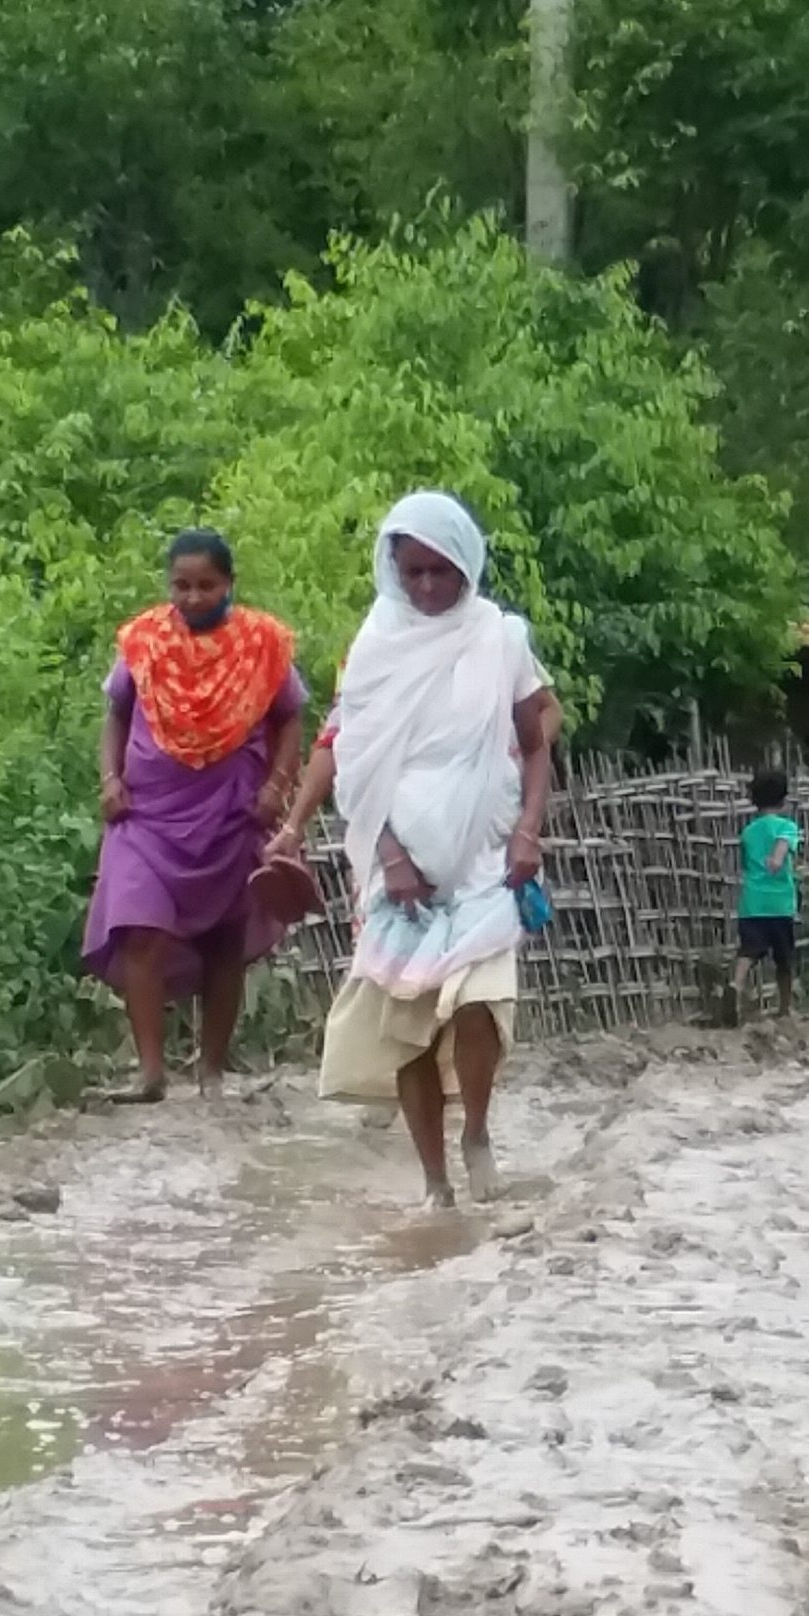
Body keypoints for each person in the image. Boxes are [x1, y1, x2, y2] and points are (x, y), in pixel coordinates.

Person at [268, 493, 559, 1207]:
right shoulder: (373, 651)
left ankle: (479, 1135)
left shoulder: (500, 639)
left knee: (479, 1002)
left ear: (468, 566)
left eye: (442, 571)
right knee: (408, 1025)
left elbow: (535, 738)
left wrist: (529, 828)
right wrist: (386, 856)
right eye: (414, 572)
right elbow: (356, 761)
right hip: (396, 862)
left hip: (484, 855)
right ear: (393, 570)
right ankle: (434, 1185)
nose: (428, 587)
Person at [82, 528, 310, 1101]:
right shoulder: (144, 641)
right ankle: (151, 1072)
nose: (192, 598)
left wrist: (277, 785)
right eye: (181, 585)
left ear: (229, 583)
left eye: (206, 585)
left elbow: (290, 719)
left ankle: (211, 1071)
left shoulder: (262, 644)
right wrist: (109, 779)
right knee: (139, 929)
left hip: (230, 811)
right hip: (147, 814)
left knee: (224, 941)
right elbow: (116, 713)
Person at [735, 765, 805, 1025]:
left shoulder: (748, 831)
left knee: (749, 951)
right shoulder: (787, 826)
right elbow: (781, 851)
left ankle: (737, 984)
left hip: (752, 902)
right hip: (779, 903)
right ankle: (785, 1008)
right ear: (784, 798)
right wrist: (776, 860)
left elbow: (744, 864)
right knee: (784, 959)